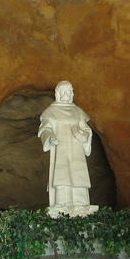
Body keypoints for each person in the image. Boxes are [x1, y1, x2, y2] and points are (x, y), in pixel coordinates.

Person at [38, 81, 98, 217]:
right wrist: (49, 137)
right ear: (57, 93)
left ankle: (81, 204)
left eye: (68, 91)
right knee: (62, 175)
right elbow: (44, 129)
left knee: (78, 176)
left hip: (77, 152)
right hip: (61, 150)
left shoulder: (78, 112)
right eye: (63, 91)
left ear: (72, 93)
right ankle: (62, 203)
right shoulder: (50, 112)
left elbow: (86, 129)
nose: (66, 94)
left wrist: (84, 135)